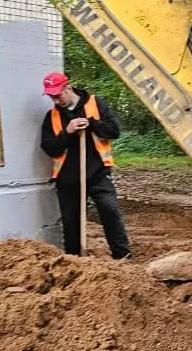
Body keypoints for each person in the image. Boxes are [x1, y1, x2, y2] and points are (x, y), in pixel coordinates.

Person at [39, 71, 131, 259]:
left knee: (110, 212)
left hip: (97, 174)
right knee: (71, 223)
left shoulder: (95, 104)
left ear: (69, 88)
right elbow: (50, 148)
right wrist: (68, 131)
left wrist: (91, 123)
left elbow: (113, 131)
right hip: (67, 179)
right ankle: (74, 261)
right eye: (51, 96)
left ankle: (123, 257)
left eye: (58, 95)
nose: (56, 100)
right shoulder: (52, 116)